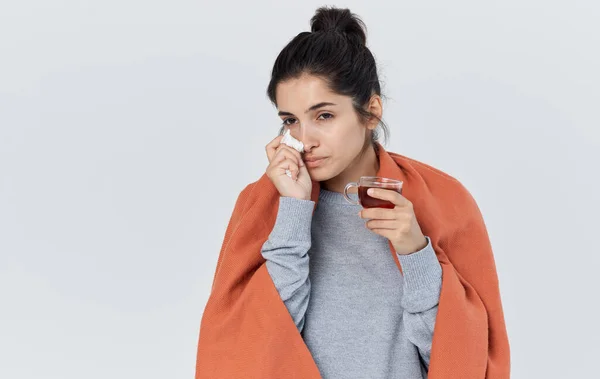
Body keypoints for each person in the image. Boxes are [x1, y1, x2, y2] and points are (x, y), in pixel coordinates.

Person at [196, 6, 510, 379]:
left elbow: (460, 357)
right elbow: (253, 343)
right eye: (290, 121)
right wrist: (294, 209)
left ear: (371, 111)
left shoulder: (444, 200)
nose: (305, 139)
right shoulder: (261, 204)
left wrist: (415, 250)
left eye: (324, 115)